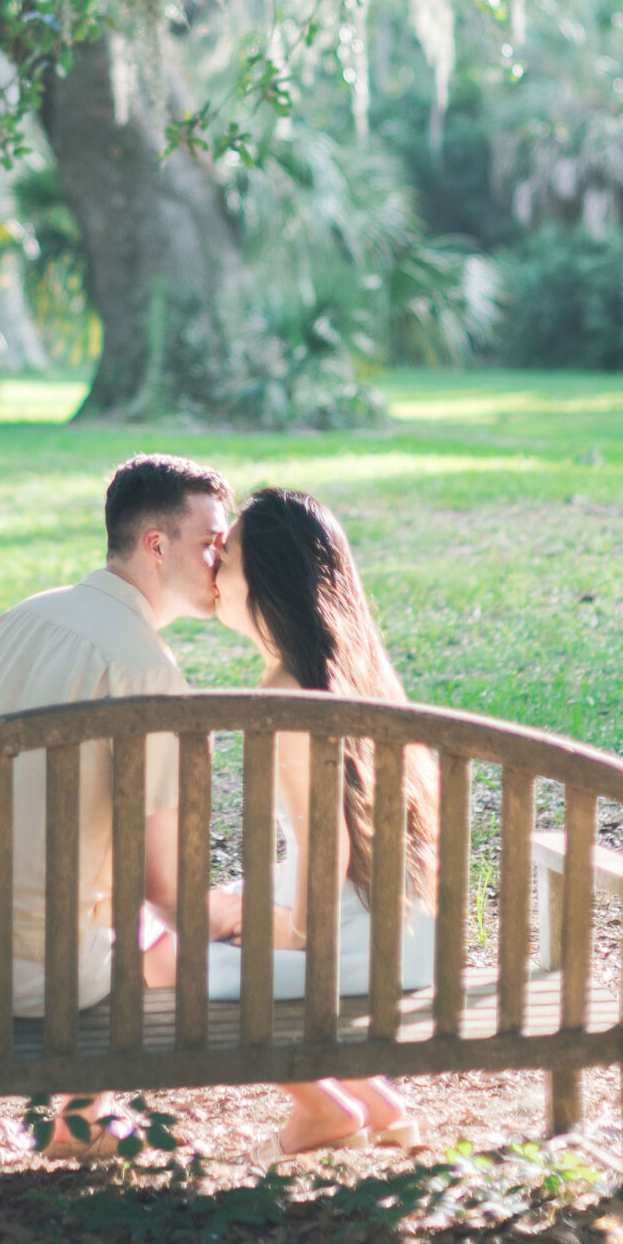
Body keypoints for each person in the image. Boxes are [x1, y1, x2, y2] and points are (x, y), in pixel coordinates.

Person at [0, 451, 231, 1171]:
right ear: (155, 545)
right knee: (142, 923)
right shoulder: (148, 674)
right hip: (32, 973)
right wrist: (235, 917)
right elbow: (165, 892)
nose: (220, 564)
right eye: (210, 544)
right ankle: (80, 1115)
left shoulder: (20, 616)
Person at [205, 486, 440, 1159]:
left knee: (162, 959)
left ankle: (324, 1114)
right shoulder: (352, 674)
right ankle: (380, 1106)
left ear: (267, 575)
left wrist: (279, 929)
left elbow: (323, 849)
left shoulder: (286, 698)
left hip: (354, 951)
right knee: (203, 920)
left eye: (226, 555)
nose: (213, 569)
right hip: (405, 936)